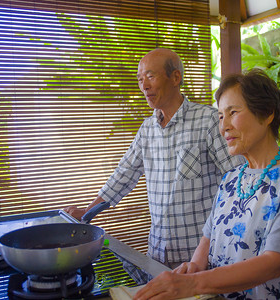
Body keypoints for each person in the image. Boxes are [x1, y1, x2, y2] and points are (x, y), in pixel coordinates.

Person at [134, 69, 280, 300]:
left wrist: (193, 284)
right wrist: (192, 268)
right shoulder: (231, 178)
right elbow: (208, 237)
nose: (223, 126)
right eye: (221, 116)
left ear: (266, 114)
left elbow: (273, 263)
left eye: (233, 112)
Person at [64, 48, 242, 272]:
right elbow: (123, 174)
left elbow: (238, 181)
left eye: (150, 76)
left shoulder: (207, 121)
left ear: (176, 77)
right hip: (158, 253)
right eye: (140, 79)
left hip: (200, 257)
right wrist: (87, 212)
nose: (144, 86)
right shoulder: (147, 129)